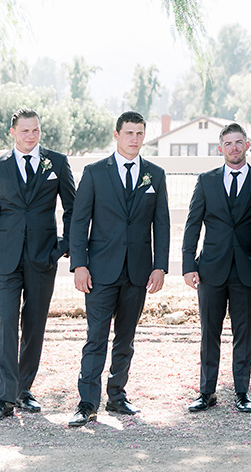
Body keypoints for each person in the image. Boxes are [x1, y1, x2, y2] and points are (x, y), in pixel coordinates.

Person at [67, 111, 169, 427]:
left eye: (139, 133)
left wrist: (160, 267)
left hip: (137, 272)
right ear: (116, 135)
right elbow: (79, 220)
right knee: (96, 337)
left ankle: (117, 396)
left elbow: (161, 223)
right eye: (129, 133)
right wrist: (79, 264)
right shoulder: (95, 173)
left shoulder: (156, 174)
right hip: (100, 271)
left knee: (126, 338)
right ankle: (87, 403)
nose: (134, 139)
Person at [0, 108, 76, 422]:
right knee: (6, 325)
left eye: (35, 130)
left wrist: (60, 249)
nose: (31, 136)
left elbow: (73, 211)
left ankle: (24, 391)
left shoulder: (57, 163)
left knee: (34, 325)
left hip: (42, 258)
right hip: (5, 259)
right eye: (25, 131)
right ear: (13, 132)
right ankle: (5, 398)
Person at [182, 123, 251, 413]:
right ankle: (207, 391)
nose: (234, 148)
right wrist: (188, 265)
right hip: (211, 270)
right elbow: (192, 225)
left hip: (246, 270)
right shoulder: (206, 181)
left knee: (245, 332)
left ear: (247, 145)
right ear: (220, 149)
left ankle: (241, 391)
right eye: (228, 144)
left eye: (239, 142)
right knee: (209, 332)